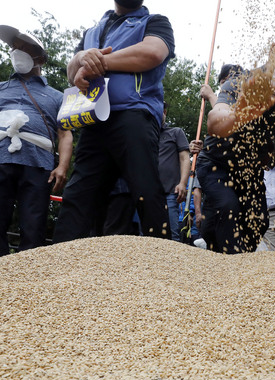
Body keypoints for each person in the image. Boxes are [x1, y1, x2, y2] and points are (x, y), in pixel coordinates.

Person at [53, 0, 175, 242]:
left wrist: (96, 63)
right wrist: (81, 57)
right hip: (93, 119)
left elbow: (152, 53)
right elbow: (70, 72)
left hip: (134, 114)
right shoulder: (92, 32)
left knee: (146, 189)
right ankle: (60, 263)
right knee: (78, 195)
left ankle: (162, 262)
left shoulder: (155, 22)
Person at [196, 22, 275, 254]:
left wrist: (268, 152)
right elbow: (215, 121)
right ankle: (227, 266)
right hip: (217, 165)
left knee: (259, 222)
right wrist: (242, 113)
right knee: (228, 209)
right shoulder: (242, 81)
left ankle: (211, 240)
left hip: (251, 171)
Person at [0, 25, 73, 261]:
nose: (17, 52)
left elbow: (65, 134)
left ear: (40, 57)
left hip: (38, 163)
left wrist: (62, 166)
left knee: (34, 224)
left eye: (25, 49)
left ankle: (27, 279)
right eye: (15, 48)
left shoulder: (58, 96)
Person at [157, 101, 191, 241]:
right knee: (144, 236)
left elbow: (185, 158)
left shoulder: (176, 132)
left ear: (164, 112)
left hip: (171, 193)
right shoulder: (144, 134)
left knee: (172, 235)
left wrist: (183, 183)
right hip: (147, 194)